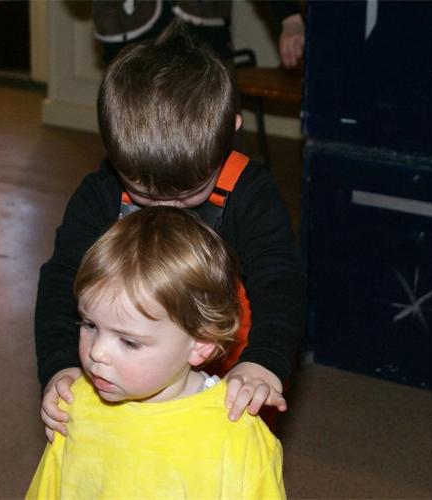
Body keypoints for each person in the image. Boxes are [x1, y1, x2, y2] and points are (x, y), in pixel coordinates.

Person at [35, 26, 305, 442]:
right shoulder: (101, 193)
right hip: (129, 353)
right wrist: (60, 364)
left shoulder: (250, 194)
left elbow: (281, 280)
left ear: (230, 133)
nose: (164, 209)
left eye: (186, 193)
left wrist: (264, 361)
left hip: (229, 358)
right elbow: (60, 280)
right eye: (143, 193)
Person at [26, 207, 285, 499]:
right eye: (90, 325)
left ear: (200, 343)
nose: (97, 353)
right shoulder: (73, 406)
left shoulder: (236, 433)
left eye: (129, 342)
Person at [93, 0, 305, 68]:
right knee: (132, 142)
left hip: (203, 43)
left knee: (213, 141)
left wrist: (290, 18)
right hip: (129, 45)